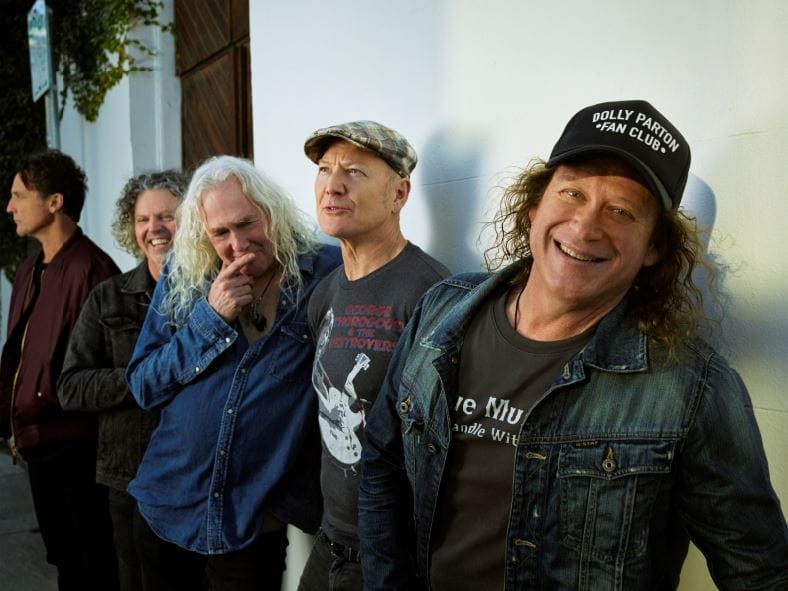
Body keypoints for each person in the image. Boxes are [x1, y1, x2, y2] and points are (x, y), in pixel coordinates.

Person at [357, 100, 788, 589]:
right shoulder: (441, 311)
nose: (585, 227)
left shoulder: (691, 389)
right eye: (573, 193)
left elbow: (759, 571)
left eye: (621, 211)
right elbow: (383, 462)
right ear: (536, 205)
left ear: (654, 248)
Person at [125, 155, 342, 590]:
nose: (237, 244)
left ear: (272, 211)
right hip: (167, 505)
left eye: (247, 224)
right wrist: (210, 317)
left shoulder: (326, 272)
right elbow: (144, 384)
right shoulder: (184, 274)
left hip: (249, 522)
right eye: (220, 233)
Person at [298, 120, 450, 591]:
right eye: (325, 169)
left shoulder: (429, 292)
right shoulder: (324, 293)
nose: (333, 185)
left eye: (356, 172)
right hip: (330, 542)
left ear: (398, 194)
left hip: (389, 555)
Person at [57, 170, 188, 591]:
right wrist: (144, 378)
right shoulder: (108, 297)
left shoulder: (213, 294)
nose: (155, 229)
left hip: (197, 479)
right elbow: (71, 387)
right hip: (129, 479)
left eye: (167, 216)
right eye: (143, 220)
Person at [0, 149, 121, 590]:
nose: (9, 207)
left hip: (77, 448)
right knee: (65, 560)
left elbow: (108, 366)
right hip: (36, 444)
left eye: (19, 196)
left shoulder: (94, 270)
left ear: (54, 203)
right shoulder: (29, 269)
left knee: (92, 563)